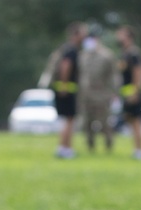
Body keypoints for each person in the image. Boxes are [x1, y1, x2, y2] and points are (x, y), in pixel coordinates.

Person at [78, 26, 118, 155]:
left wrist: (114, 92)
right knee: (87, 123)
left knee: (104, 122)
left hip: (102, 93)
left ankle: (109, 145)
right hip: (86, 94)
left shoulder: (107, 55)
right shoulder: (83, 55)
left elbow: (113, 76)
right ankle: (90, 147)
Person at [51, 22, 86, 159]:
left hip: (63, 88)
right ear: (75, 34)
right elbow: (65, 66)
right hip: (67, 89)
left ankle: (63, 147)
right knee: (69, 120)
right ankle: (66, 149)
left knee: (67, 120)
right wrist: (65, 85)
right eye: (83, 33)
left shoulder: (65, 49)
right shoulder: (71, 50)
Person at [116, 25, 141, 161]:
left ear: (129, 37)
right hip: (127, 93)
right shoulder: (125, 53)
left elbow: (138, 72)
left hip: (133, 93)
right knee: (130, 121)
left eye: (121, 34)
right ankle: (136, 149)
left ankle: (140, 151)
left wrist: (135, 92)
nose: (118, 36)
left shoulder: (133, 53)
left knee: (136, 122)